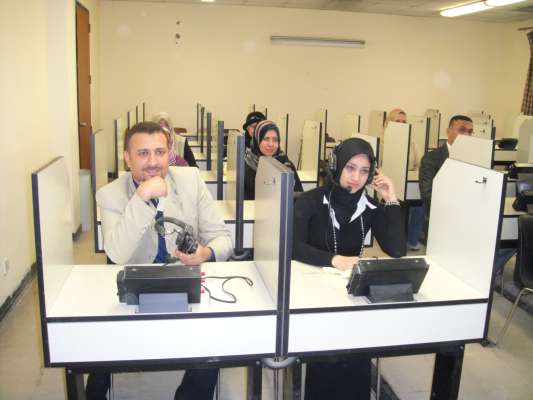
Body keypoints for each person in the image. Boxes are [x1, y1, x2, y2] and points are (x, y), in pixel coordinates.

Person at [92, 121, 233, 400]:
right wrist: (142, 197)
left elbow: (223, 238)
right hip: (134, 291)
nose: (153, 162)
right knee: (94, 348)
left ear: (170, 153)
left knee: (215, 339)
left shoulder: (190, 180)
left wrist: (205, 253)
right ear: (127, 158)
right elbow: (116, 254)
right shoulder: (110, 195)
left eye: (159, 152)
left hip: (184, 284)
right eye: (143, 153)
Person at [292, 138, 405, 400]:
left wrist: (390, 199)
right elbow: (293, 247)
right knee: (327, 365)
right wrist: (334, 259)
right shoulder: (310, 201)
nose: (356, 178)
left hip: (350, 294)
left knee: (356, 359)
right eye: (350, 168)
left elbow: (397, 249)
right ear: (336, 165)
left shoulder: (369, 207)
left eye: (364, 171)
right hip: (312, 295)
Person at [419, 115, 473, 232]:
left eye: (470, 132)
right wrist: (454, 208)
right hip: (440, 219)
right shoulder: (431, 158)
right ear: (448, 131)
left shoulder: (474, 159)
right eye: (462, 130)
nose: (467, 135)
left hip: (467, 219)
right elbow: (427, 194)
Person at [385, 109, 423, 250]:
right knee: (398, 207)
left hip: (408, 183)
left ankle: (412, 239)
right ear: (388, 123)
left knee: (420, 205)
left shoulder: (411, 143)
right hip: (389, 185)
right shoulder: (382, 142)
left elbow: (420, 164)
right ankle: (396, 239)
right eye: (398, 121)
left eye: (404, 122)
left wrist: (411, 174)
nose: (402, 124)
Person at [244, 120, 303, 200]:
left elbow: (300, 198)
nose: (271, 144)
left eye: (275, 140)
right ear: (257, 140)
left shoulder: (286, 166)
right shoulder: (247, 166)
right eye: (266, 139)